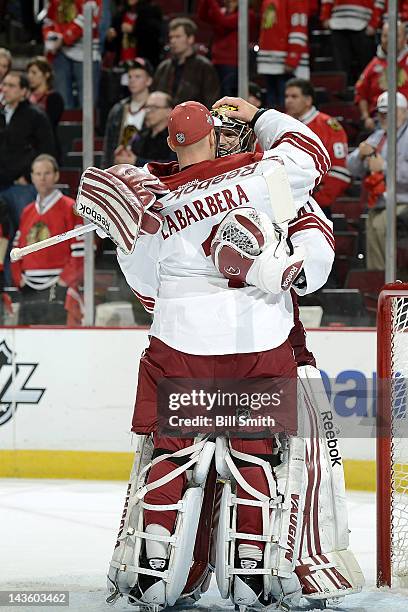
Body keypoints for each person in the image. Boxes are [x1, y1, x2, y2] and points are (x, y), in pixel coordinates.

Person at [11, 154, 84, 325]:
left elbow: (81, 250)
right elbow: (17, 249)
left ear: (56, 175)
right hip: (28, 288)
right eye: (37, 174)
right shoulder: (27, 211)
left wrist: (64, 281)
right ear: (32, 177)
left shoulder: (70, 207)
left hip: (58, 287)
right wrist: (19, 279)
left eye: (47, 173)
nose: (42, 178)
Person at [347, 91, 408, 270]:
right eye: (381, 113)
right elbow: (351, 165)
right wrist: (360, 154)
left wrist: (385, 167)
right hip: (381, 201)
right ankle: (378, 282)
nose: (384, 117)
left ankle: (391, 278)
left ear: (404, 112)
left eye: (389, 112)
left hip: (403, 201)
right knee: (370, 222)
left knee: (383, 222)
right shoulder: (378, 136)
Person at [285, 77, 351, 218]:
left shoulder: (328, 126)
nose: (288, 101)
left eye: (294, 96)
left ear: (308, 100)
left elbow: (340, 169)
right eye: (287, 96)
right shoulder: (280, 125)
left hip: (316, 204)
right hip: (284, 204)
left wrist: (320, 200)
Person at [0, 71, 56, 237]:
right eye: (4, 85)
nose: (5, 89)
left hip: (21, 186)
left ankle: (28, 264)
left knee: (26, 231)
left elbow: (47, 151)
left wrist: (27, 176)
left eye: (11, 86)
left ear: (24, 91)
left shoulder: (36, 116)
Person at [42, 0, 102, 108]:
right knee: (61, 104)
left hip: (86, 52)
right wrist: (50, 38)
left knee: (87, 106)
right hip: (59, 52)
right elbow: (48, 19)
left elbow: (89, 16)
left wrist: (65, 38)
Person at [152, 17, 220, 108]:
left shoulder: (204, 67)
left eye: (178, 37)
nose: (173, 41)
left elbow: (212, 101)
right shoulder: (163, 67)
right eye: (171, 37)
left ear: (190, 39)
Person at [355, 20, 408, 132]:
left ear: (405, 39)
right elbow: (361, 93)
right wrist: (366, 118)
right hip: (380, 121)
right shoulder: (373, 65)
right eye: (385, 36)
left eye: (396, 36)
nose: (390, 40)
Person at [197, 0, 257, 96]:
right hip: (216, 60)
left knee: (227, 96)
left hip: (232, 63)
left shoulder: (247, 14)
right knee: (214, 94)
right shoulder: (222, 12)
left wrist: (211, 2)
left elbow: (224, 22)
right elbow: (202, 15)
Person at [257, 0, 310, 107]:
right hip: (269, 61)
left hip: (285, 64)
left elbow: (298, 28)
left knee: (286, 106)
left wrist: (292, 58)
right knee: (271, 106)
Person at [103, 58, 153, 168]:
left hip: (144, 168)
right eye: (130, 77)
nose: (132, 80)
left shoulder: (157, 108)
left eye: (137, 76)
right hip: (120, 167)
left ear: (149, 80)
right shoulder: (118, 110)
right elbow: (109, 146)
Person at [320, 0, 377, 85]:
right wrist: (325, 15)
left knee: (365, 65)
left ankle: (365, 90)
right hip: (338, 22)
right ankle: (342, 91)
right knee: (341, 66)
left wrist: (374, 22)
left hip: (363, 22)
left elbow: (380, 2)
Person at [114, 91, 176, 166]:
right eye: (147, 107)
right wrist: (124, 156)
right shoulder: (141, 135)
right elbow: (133, 156)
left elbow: (173, 165)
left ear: (168, 111)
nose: (148, 112)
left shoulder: (175, 137)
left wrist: (137, 162)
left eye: (153, 108)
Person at [104, 0, 163, 68]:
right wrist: (110, 38)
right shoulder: (119, 15)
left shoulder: (152, 12)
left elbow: (154, 36)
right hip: (122, 64)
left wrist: (134, 30)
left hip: (145, 64)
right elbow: (111, 47)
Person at [26, 56, 64, 160]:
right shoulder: (25, 97)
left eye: (34, 73)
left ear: (46, 74)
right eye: (28, 73)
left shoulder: (54, 98)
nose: (29, 76)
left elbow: (50, 123)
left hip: (47, 147)